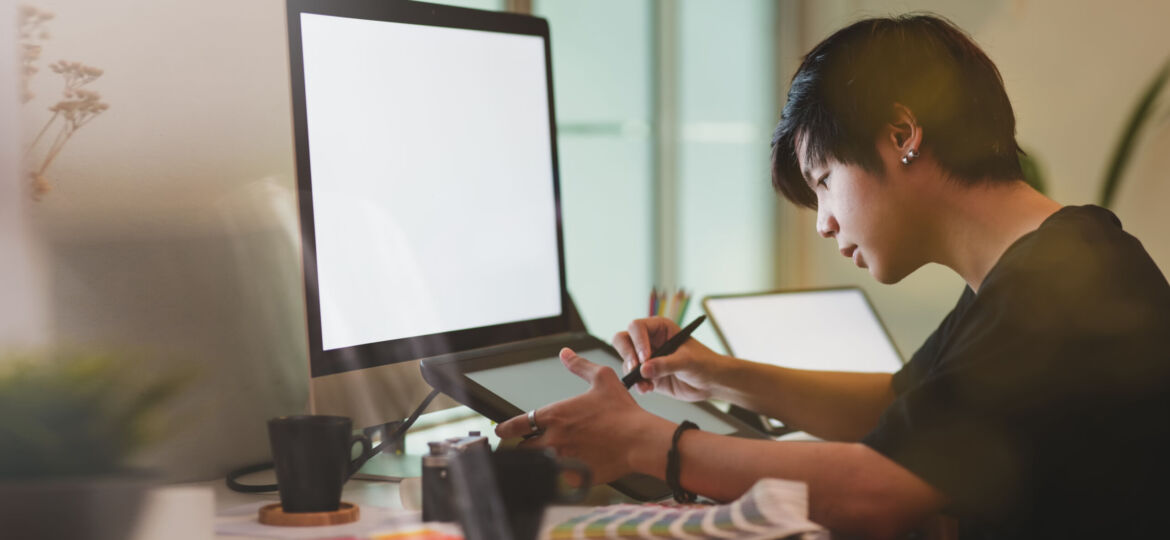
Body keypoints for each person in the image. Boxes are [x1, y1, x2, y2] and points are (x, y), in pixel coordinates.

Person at [496, 14, 1170, 539]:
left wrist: (651, 443)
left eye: (823, 180)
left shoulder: (1062, 280)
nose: (822, 222)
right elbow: (903, 410)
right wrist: (722, 374)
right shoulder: (1051, 258)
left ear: (903, 132)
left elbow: (878, 490)